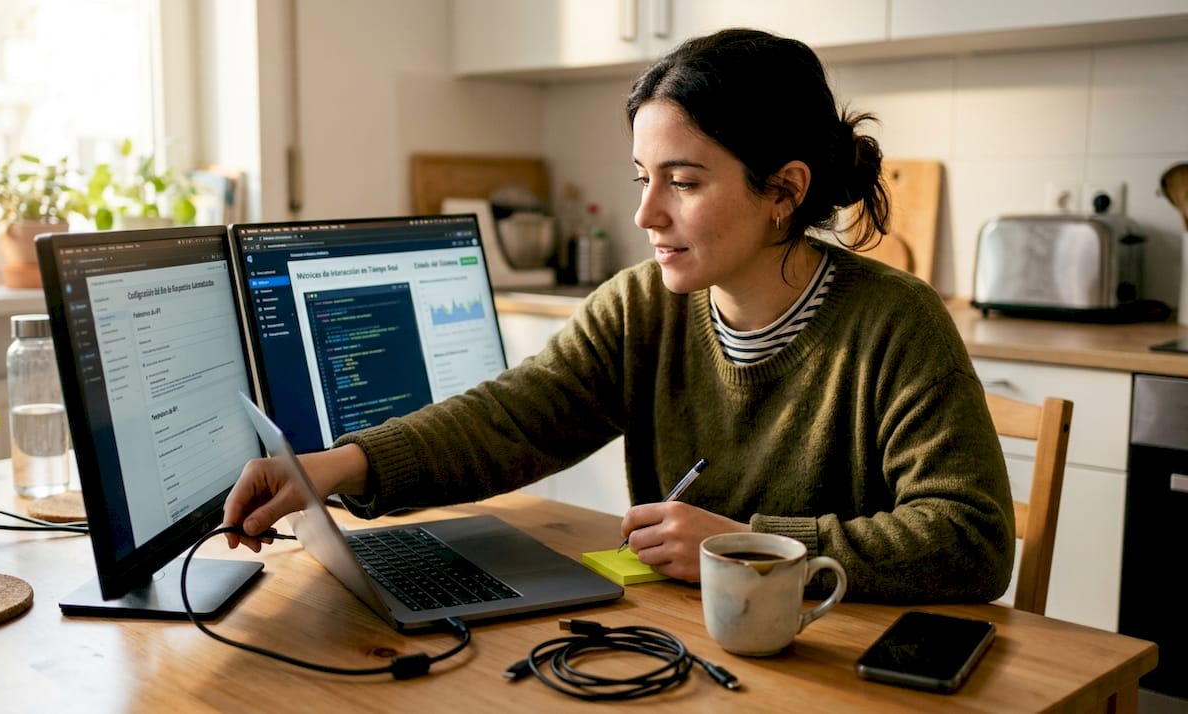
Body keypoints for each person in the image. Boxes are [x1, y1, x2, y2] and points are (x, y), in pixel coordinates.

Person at [224, 28, 1014, 603]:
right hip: (693, 651)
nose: (646, 214)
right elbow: (510, 418)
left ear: (784, 190)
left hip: (844, 666)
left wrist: (748, 547)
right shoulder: (642, 307)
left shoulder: (896, 322)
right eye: (643, 177)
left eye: (684, 182)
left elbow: (971, 541)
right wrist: (337, 466)